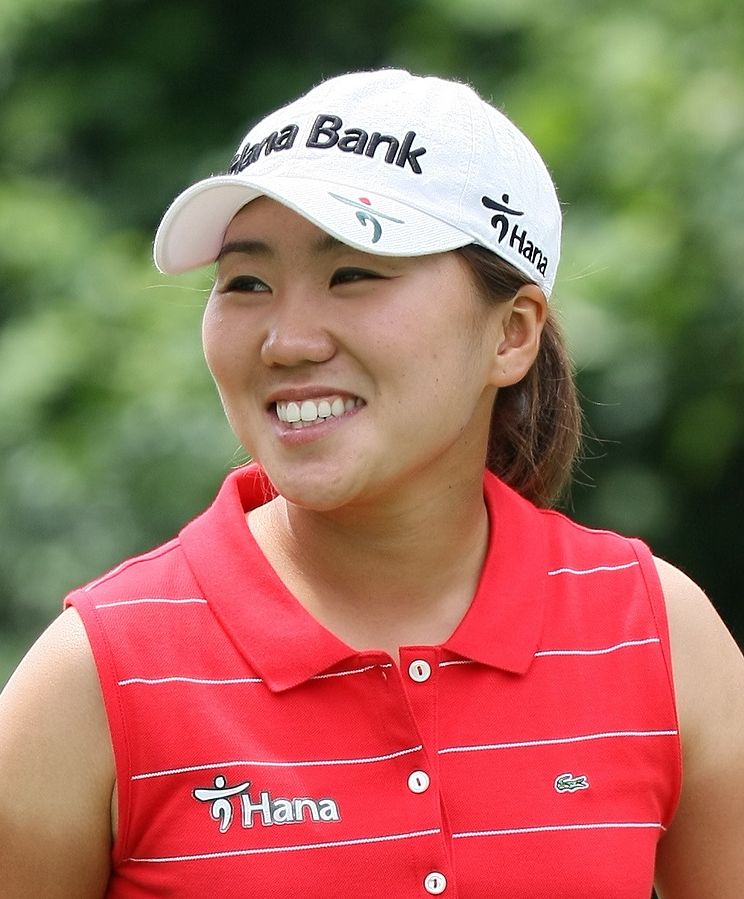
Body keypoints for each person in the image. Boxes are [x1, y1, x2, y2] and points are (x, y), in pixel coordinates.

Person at [0, 68, 742, 899]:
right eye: (246, 283)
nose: (287, 340)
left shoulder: (658, 635)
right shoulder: (97, 677)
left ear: (512, 333)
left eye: (354, 273)